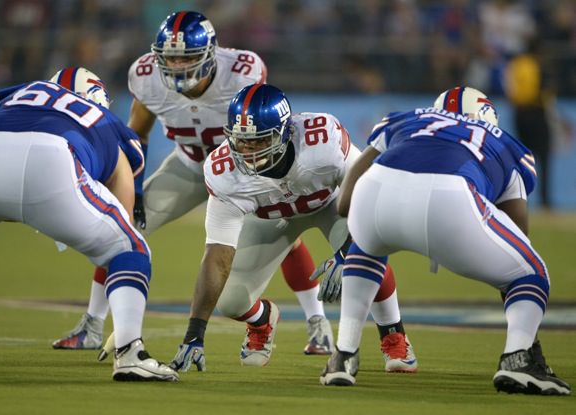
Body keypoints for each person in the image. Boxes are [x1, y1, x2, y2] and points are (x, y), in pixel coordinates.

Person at [53, 11, 334, 356]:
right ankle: (92, 324)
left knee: (283, 235)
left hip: (244, 171)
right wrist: (135, 187)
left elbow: (260, 121)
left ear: (209, 54)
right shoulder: (147, 77)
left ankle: (317, 322)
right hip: (189, 164)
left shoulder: (242, 71)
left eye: (185, 57)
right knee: (120, 226)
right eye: (169, 57)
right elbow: (136, 134)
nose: (176, 65)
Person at [0, 67, 178, 382]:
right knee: (130, 246)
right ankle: (129, 351)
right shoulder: (106, 122)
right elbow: (123, 205)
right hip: (49, 160)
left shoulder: (24, 90)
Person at [321, 86, 571, 395]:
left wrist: (363, 227)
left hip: (374, 189)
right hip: (450, 196)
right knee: (532, 271)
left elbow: (345, 203)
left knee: (367, 245)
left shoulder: (406, 119)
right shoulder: (506, 143)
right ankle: (518, 359)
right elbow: (519, 237)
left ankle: (343, 355)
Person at [167, 83, 417, 371]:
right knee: (232, 301)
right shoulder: (223, 171)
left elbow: (368, 199)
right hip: (270, 219)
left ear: (285, 133)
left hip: (334, 206)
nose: (247, 151)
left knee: (365, 255)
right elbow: (217, 256)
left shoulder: (323, 140)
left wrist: (347, 251)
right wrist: (194, 334)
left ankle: (394, 334)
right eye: (241, 140)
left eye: (259, 141)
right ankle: (262, 322)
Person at [504, 37, 553, 209]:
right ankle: (545, 201)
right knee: (544, 156)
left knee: (522, 158)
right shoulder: (537, 65)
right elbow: (543, 92)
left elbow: (510, 90)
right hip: (536, 112)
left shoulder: (515, 64)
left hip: (519, 114)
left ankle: (517, 200)